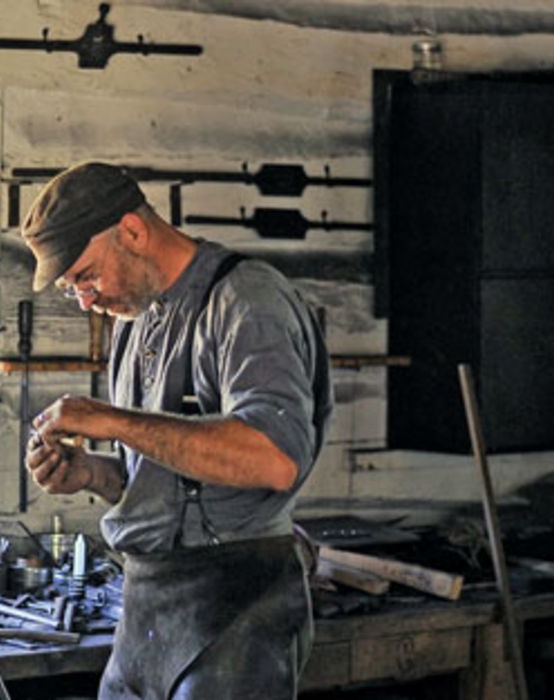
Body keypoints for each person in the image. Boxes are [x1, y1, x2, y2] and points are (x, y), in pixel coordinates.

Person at [19, 162, 333, 699]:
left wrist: (112, 420)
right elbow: (175, 483)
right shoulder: (136, 322)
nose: (87, 300)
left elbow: (274, 458)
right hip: (149, 607)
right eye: (75, 289)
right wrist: (93, 472)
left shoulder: (244, 301)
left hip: (237, 603)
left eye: (87, 275)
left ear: (133, 232)